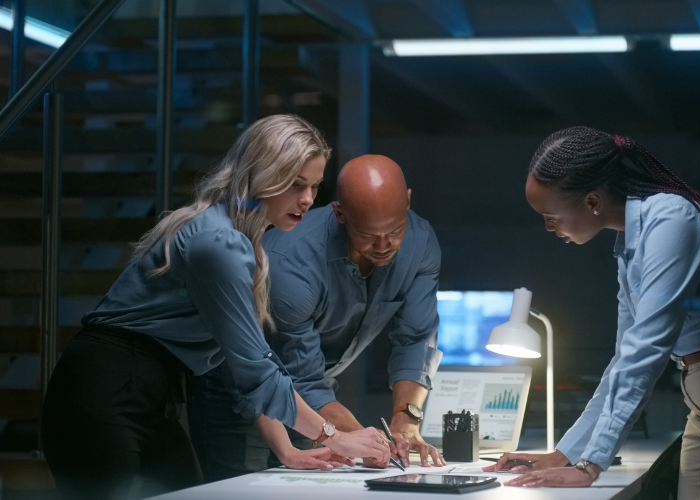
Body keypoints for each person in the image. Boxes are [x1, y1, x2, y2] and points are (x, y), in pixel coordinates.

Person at [41, 115, 389, 500]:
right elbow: (255, 371)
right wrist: (335, 436)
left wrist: (287, 450)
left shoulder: (238, 240)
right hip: (103, 389)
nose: (308, 200)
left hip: (146, 394)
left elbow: (244, 362)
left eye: (314, 186)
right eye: (295, 184)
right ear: (263, 174)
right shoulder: (218, 242)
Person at [484, 126, 700, 499]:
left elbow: (647, 349)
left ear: (593, 201)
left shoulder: (672, 219)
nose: (548, 228)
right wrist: (565, 454)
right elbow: (624, 360)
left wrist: (590, 465)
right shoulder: (629, 245)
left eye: (551, 216)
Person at [189, 154, 447, 482]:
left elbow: (416, 338)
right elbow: (301, 378)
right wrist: (372, 443)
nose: (384, 245)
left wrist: (406, 423)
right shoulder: (290, 261)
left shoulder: (421, 242)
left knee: (309, 486)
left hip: (309, 401)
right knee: (245, 491)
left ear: (408, 201)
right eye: (367, 234)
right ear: (339, 213)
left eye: (395, 230)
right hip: (237, 393)